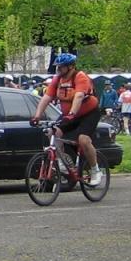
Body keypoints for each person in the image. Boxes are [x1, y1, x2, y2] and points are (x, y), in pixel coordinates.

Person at [30, 53, 105, 187]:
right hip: (69, 114)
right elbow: (47, 98)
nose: (58, 69)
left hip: (88, 113)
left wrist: (72, 113)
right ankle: (62, 163)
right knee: (52, 132)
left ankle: (95, 170)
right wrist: (37, 116)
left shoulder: (80, 77)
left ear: (71, 67)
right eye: (57, 66)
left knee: (83, 139)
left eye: (61, 66)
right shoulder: (57, 79)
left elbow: (79, 96)